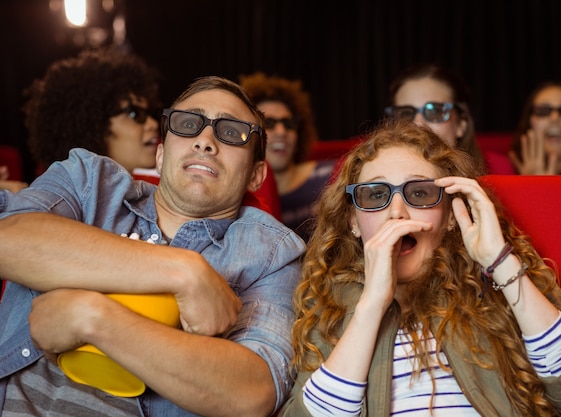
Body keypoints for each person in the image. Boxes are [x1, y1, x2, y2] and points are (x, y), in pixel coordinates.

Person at [0, 75, 306, 416]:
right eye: (188, 124)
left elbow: (253, 393)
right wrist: (182, 272)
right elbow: (8, 239)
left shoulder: (273, 253)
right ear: (161, 155)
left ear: (256, 175)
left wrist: (91, 316)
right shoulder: (89, 180)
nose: (205, 141)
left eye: (232, 132)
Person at [279, 119, 561, 416]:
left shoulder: (494, 283)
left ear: (450, 217)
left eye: (420, 193)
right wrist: (372, 305)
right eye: (376, 194)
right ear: (353, 221)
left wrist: (499, 261)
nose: (397, 213)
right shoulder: (332, 304)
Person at [22, 45, 162, 176]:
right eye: (134, 113)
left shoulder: (140, 196)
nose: (153, 124)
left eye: (148, 113)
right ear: (93, 125)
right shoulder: (60, 201)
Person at [240, 72, 336, 241]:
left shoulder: (332, 175)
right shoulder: (238, 195)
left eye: (289, 124)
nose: (281, 132)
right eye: (268, 123)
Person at [384, 63, 515, 175]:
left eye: (435, 111)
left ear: (461, 124)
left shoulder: (499, 169)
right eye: (405, 114)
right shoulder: (377, 173)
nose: (418, 123)